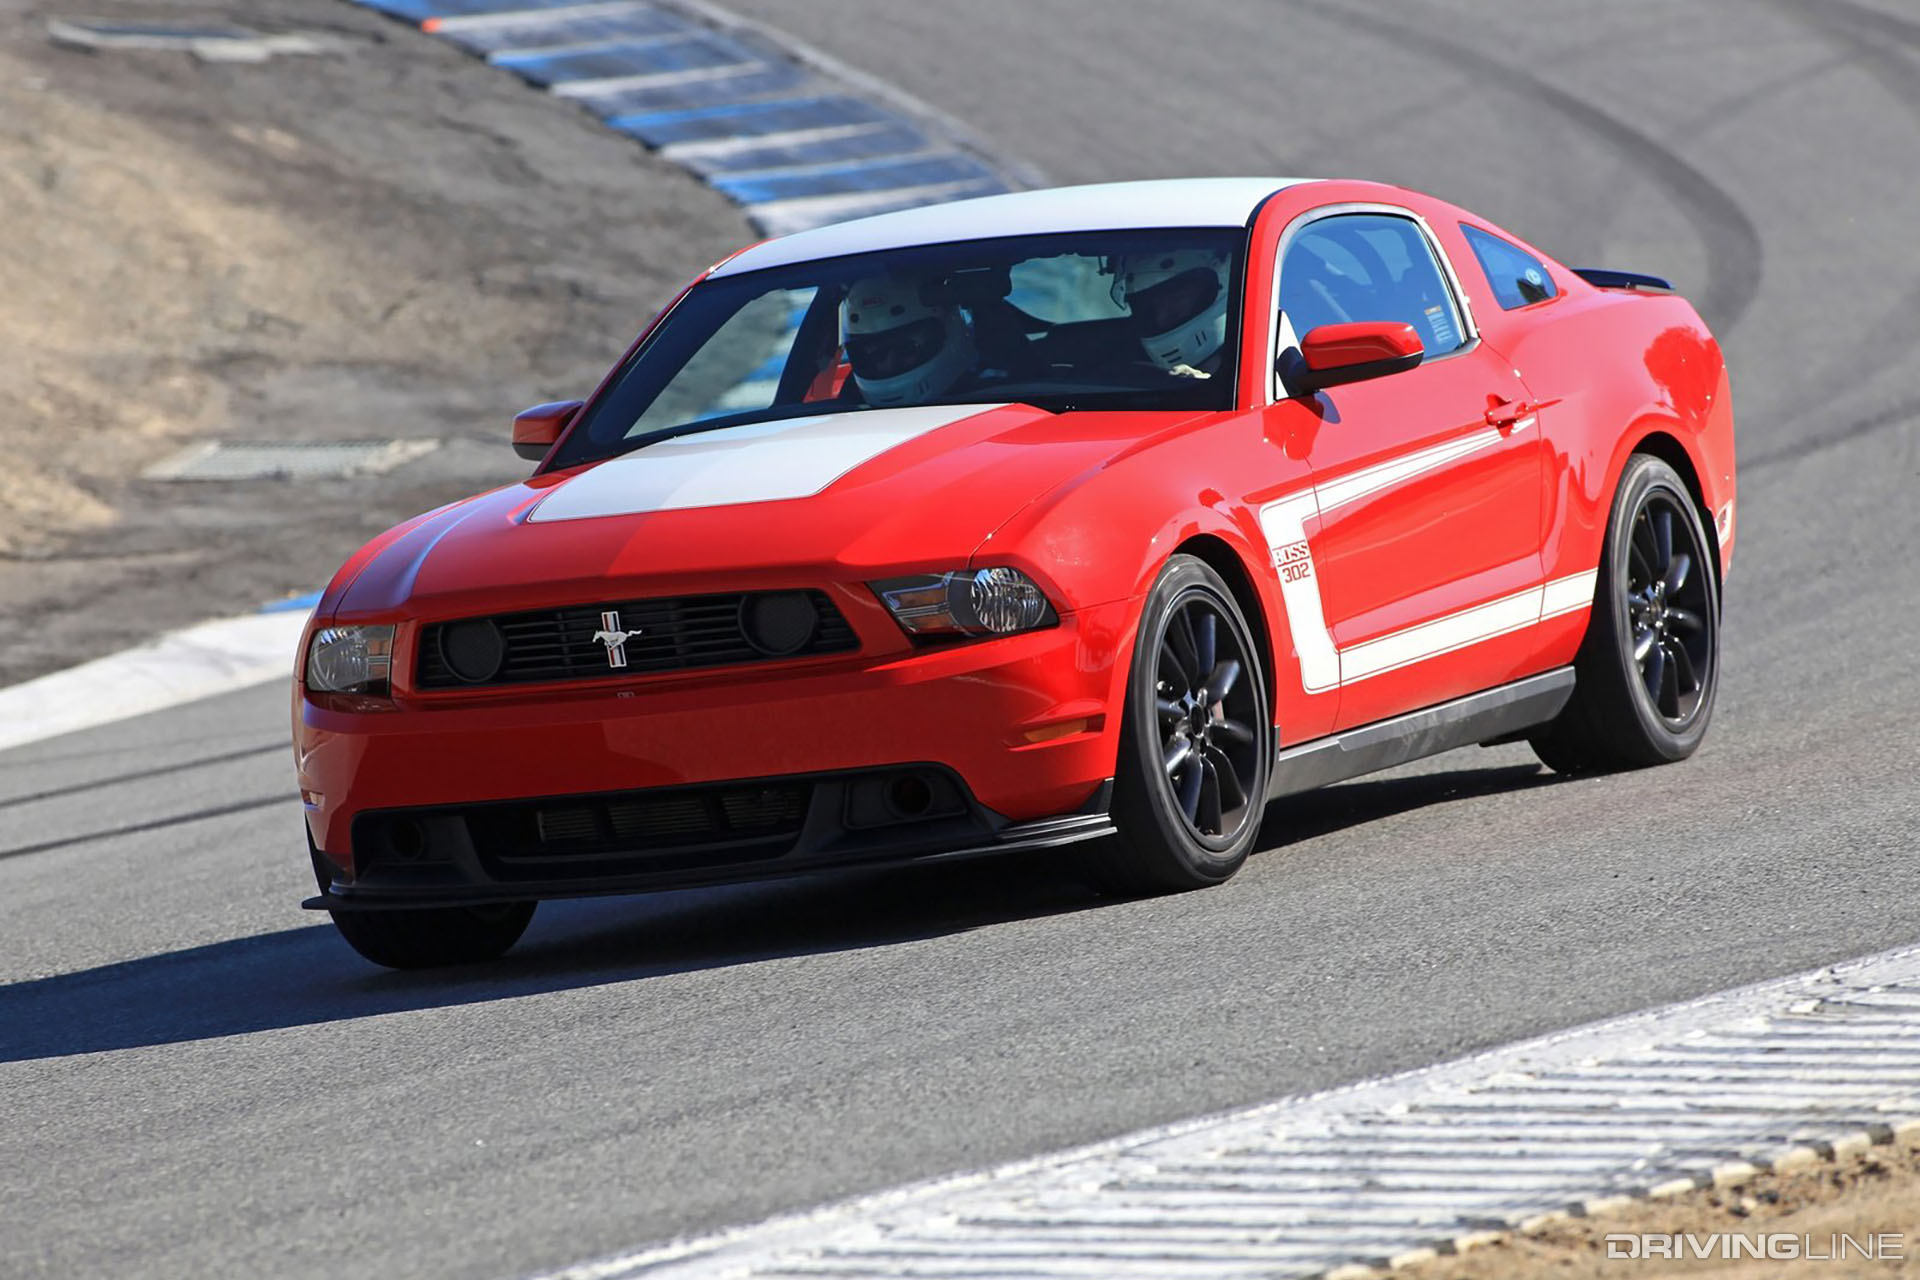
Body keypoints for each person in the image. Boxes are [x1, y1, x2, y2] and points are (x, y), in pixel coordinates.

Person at [840, 274, 976, 407]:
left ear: (950, 331)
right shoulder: (844, 409)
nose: (889, 363)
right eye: (876, 354)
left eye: (906, 348)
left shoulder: (989, 397)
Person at [1111, 249, 1232, 377]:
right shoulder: (1128, 376)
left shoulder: (1251, 370)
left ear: (1219, 287)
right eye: (1150, 307)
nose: (1161, 316)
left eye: (1176, 298)